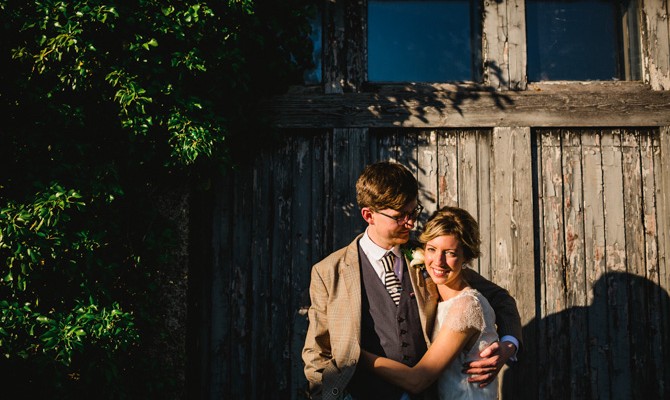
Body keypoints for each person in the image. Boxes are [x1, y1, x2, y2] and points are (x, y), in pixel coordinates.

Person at [302, 161, 522, 400]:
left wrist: (509, 345)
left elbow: (500, 298)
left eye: (413, 212)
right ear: (369, 215)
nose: (411, 223)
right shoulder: (329, 272)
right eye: (400, 216)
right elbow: (317, 352)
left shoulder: (431, 256)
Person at [361, 206, 500, 399]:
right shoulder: (441, 295)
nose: (438, 261)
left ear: (466, 256)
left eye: (450, 253)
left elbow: (417, 380)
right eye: (432, 249)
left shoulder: (466, 306)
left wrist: (356, 355)